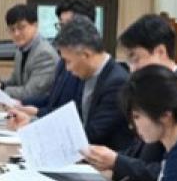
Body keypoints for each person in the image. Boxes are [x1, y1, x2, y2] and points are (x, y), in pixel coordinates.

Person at [84, 14, 177, 181]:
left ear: (160, 52)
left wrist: (117, 162)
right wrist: (109, 160)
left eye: (136, 58)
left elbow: (167, 172)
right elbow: (140, 149)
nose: (131, 70)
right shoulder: (157, 89)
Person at [50, 16, 133, 150]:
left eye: (68, 61)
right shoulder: (85, 73)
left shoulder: (117, 83)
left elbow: (94, 134)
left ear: (86, 55)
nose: (67, 68)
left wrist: (48, 138)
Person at [7, 0, 91, 127]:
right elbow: (52, 98)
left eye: (67, 25)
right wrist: (26, 105)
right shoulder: (64, 60)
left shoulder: (87, 66)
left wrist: (36, 113)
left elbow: (74, 113)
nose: (62, 31)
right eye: (61, 25)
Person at [0, 3, 58, 103]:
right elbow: (15, 80)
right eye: (12, 29)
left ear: (35, 25)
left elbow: (30, 93)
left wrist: (0, 89)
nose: (16, 33)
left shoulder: (44, 54)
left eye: (21, 27)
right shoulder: (21, 49)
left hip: (38, 109)